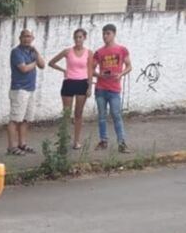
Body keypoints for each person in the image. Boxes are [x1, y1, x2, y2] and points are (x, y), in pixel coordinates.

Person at [47, 28, 92, 150]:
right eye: (76, 37)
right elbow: (51, 63)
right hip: (69, 83)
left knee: (78, 113)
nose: (78, 39)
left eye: (80, 37)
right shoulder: (67, 52)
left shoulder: (89, 52)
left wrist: (90, 86)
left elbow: (90, 70)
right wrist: (63, 70)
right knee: (66, 114)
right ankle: (63, 140)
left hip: (82, 83)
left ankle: (77, 141)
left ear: (84, 38)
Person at [92, 23, 132, 153]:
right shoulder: (99, 52)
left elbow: (129, 66)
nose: (105, 36)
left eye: (108, 33)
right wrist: (99, 74)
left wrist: (120, 74)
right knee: (102, 116)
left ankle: (121, 143)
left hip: (114, 89)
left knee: (116, 115)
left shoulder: (122, 50)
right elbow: (91, 69)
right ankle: (103, 141)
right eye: (103, 34)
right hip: (101, 88)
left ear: (114, 34)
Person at [7, 28, 45, 155]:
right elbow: (23, 68)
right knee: (15, 119)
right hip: (19, 90)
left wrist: (36, 52)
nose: (27, 39)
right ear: (20, 38)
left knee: (25, 119)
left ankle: (22, 144)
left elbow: (43, 65)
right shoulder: (16, 52)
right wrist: (34, 63)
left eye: (29, 37)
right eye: (25, 36)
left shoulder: (32, 52)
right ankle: (12, 147)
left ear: (32, 39)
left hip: (30, 89)